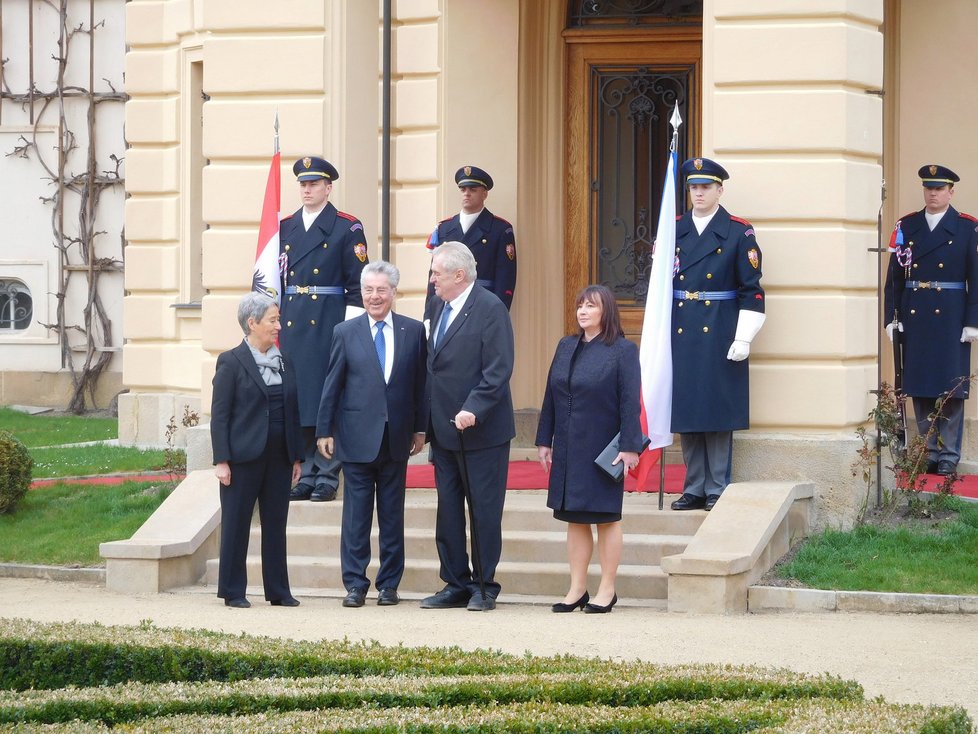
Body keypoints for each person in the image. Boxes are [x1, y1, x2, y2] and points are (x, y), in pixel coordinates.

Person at [315, 262, 427, 608]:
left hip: (396, 438)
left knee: (392, 516)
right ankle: (355, 584)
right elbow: (332, 384)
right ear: (361, 293)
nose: (374, 297)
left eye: (381, 290)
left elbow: (421, 385)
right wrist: (324, 429)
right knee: (356, 517)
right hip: (355, 436)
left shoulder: (412, 331)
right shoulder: (345, 332)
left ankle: (389, 584)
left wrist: (421, 428)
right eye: (369, 290)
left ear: (394, 293)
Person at [535, 285, 643, 614]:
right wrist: (544, 439)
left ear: (605, 311)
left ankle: (606, 589)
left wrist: (629, 447)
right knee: (576, 519)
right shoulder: (566, 345)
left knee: (606, 518)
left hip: (603, 449)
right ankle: (577, 588)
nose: (582, 311)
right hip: (568, 446)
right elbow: (551, 395)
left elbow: (630, 402)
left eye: (591, 306)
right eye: (580, 305)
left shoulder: (622, 350)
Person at [420, 241, 515, 611]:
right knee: (448, 509)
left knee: (483, 510)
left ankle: (484, 584)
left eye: (436, 274)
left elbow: (498, 369)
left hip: (482, 432)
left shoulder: (490, 308)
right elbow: (431, 365)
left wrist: (474, 407)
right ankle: (455, 581)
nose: (431, 281)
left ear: (459, 275)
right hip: (443, 429)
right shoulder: (436, 305)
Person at [670, 157, 765, 512]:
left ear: (720, 190)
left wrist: (744, 336)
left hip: (721, 329)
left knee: (716, 409)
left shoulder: (739, 232)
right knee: (688, 411)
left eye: (706, 187)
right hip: (682, 329)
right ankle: (693, 485)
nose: (698, 193)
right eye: (694, 187)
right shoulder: (673, 228)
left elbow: (751, 289)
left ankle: (717, 485)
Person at [279, 156, 368, 503]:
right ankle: (306, 473)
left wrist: (347, 331)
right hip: (291, 320)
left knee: (327, 398)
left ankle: (328, 474)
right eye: (303, 183)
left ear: (328, 188)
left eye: (314, 184)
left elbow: (357, 286)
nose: (307, 189)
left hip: (328, 321)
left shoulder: (347, 227)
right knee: (299, 399)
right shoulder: (285, 227)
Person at [210, 292, 303, 609]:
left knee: (276, 524)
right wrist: (221, 460)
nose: (279, 325)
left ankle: (278, 590)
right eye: (272, 320)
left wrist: (296, 456)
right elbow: (220, 414)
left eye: (278, 319)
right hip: (242, 457)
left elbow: (293, 410)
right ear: (252, 323)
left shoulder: (284, 360)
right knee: (236, 524)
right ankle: (233, 590)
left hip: (279, 456)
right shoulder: (231, 361)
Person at [884, 164, 978, 476]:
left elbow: (976, 279)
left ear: (951, 192)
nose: (933, 193)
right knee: (921, 386)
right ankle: (928, 451)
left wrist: (972, 321)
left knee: (950, 388)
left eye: (939, 188)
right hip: (916, 312)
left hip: (951, 315)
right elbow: (895, 278)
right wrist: (891, 317)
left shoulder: (967, 228)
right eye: (929, 188)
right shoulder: (907, 226)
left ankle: (949, 455)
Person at [423, 165, 517, 322]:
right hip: (446, 305)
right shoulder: (444, 228)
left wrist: (498, 315)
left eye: (473, 189)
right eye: (463, 189)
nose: (466, 194)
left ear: (484, 194)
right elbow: (434, 276)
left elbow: (505, 279)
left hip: (481, 307)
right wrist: (428, 315)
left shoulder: (500, 229)